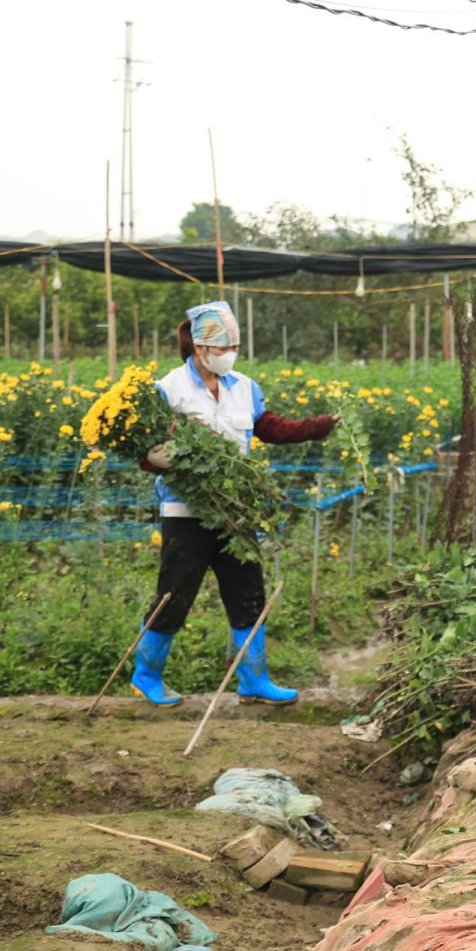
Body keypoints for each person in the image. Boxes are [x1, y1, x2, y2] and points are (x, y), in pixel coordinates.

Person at [129, 301, 339, 707]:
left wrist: (315, 428)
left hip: (234, 510)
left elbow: (269, 427)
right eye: (223, 348)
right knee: (175, 592)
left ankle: (253, 680)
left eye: (234, 348)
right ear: (199, 348)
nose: (230, 355)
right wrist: (150, 460)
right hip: (185, 510)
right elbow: (144, 445)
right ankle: (145, 675)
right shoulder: (168, 388)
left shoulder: (244, 386)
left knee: (247, 592)